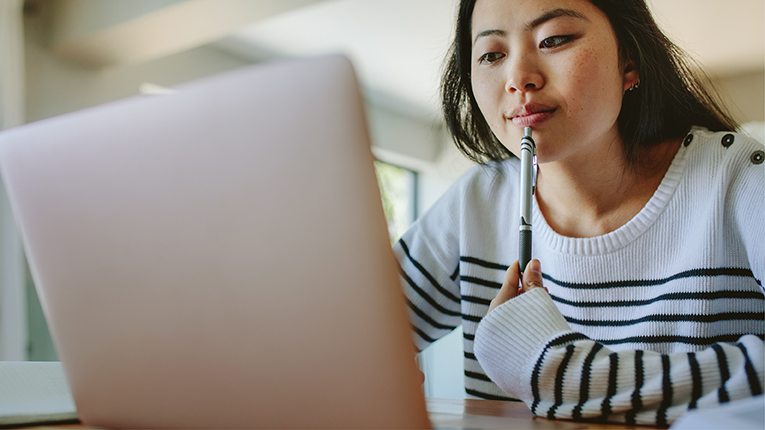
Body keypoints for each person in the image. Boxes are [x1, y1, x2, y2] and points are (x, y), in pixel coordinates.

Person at [394, 0, 764, 426]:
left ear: (630, 59)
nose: (518, 79)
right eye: (492, 55)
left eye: (554, 39)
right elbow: (345, 343)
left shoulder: (742, 179)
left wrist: (560, 372)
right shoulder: (474, 202)